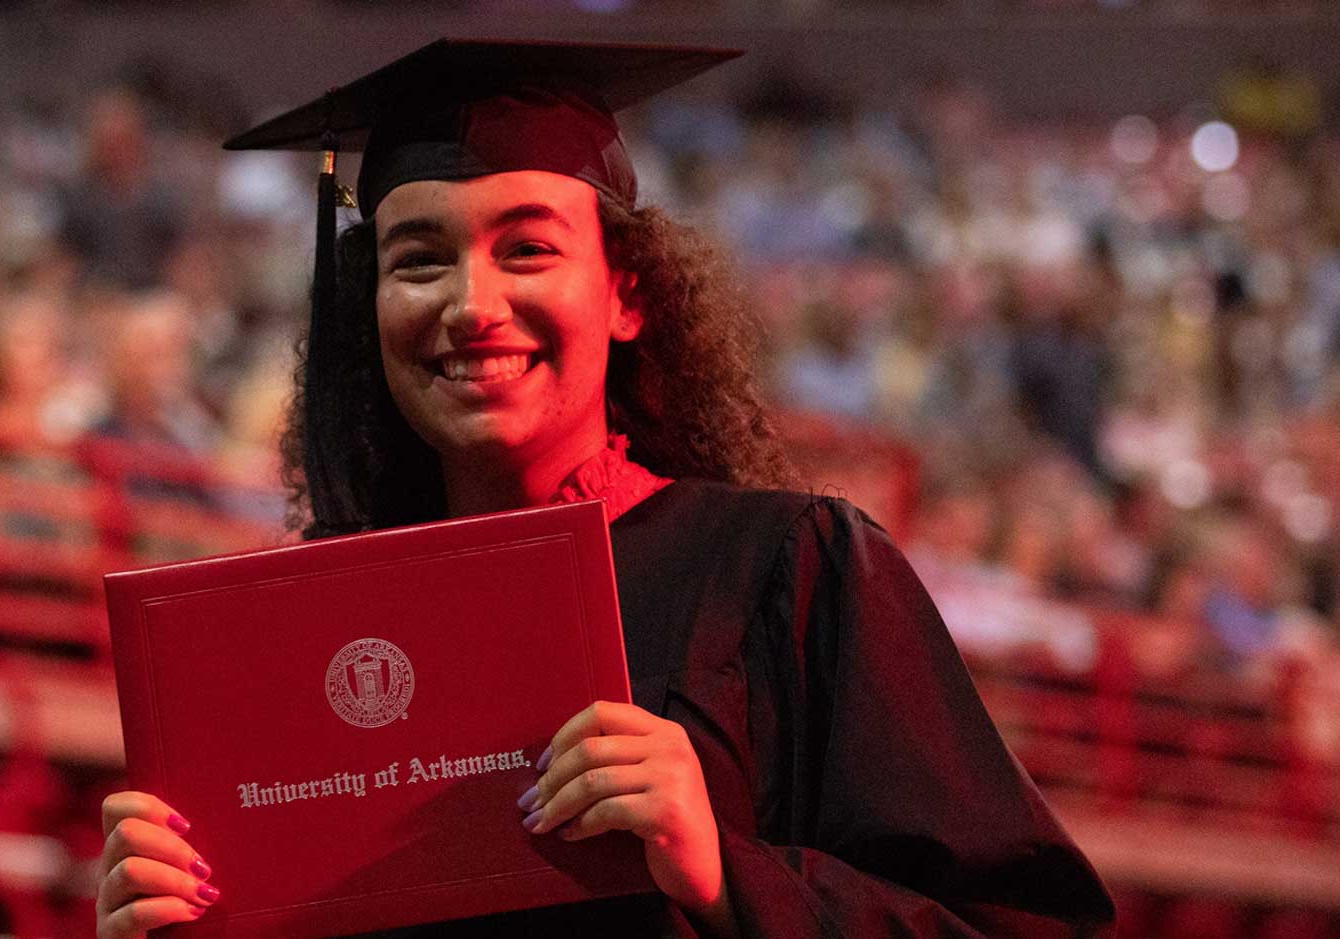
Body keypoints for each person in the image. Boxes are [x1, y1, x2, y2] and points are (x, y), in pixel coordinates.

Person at [96, 39, 1115, 938]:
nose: (471, 305)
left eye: (527, 250)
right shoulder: (309, 628)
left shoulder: (787, 571)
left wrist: (725, 875)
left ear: (627, 292)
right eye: (418, 261)